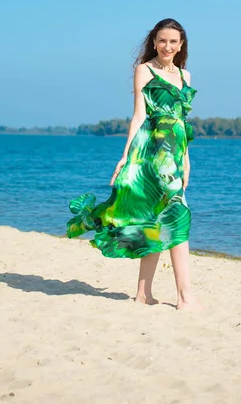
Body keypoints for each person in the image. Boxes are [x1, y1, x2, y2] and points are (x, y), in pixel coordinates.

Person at [67, 18, 202, 311]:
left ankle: (143, 294)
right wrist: (126, 156)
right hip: (152, 153)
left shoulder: (185, 76)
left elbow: (182, 122)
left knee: (155, 220)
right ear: (154, 42)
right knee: (178, 216)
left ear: (181, 46)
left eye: (173, 42)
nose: (168, 46)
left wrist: (187, 160)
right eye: (162, 40)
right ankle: (185, 297)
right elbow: (139, 116)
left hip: (175, 155)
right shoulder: (144, 70)